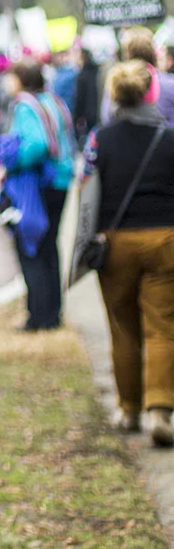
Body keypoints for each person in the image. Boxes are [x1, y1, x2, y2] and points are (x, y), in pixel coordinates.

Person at [85, 60, 174, 446]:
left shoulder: (100, 139)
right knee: (162, 326)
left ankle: (129, 409)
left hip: (116, 241)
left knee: (122, 326)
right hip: (164, 240)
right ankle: (160, 410)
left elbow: (89, 193)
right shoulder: (169, 138)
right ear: (149, 93)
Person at [0, 59, 75, 332]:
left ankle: (38, 316)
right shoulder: (54, 100)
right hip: (61, 180)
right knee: (50, 246)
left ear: (21, 78)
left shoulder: (25, 105)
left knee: (32, 247)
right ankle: (53, 313)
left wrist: (12, 162)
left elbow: (37, 143)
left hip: (38, 184)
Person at [73, 46, 100, 145]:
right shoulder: (98, 72)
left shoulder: (82, 75)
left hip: (90, 116)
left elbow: (80, 99)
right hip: (98, 113)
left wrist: (76, 118)